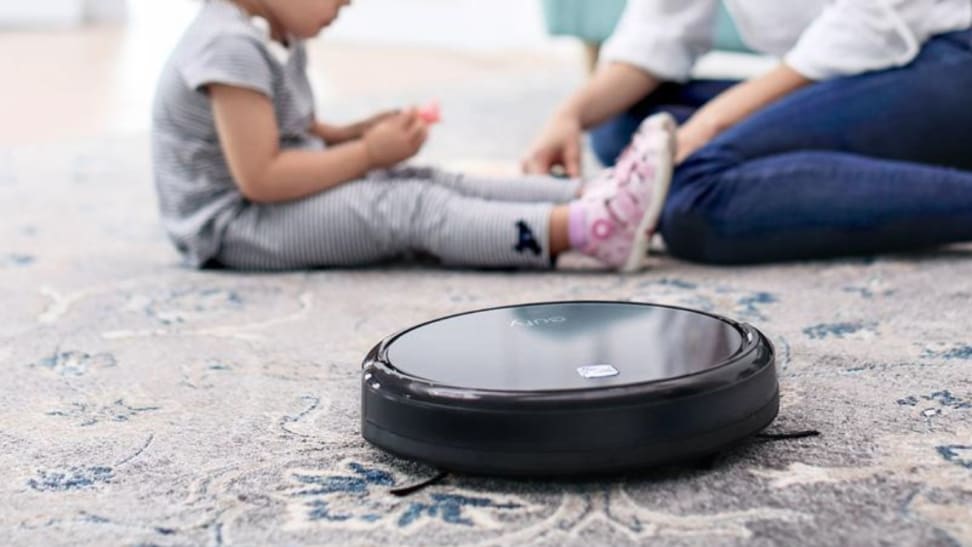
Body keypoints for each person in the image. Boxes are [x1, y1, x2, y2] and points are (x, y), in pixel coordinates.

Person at [151, 0, 677, 273]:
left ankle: (593, 194)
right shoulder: (228, 47)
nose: (349, 3)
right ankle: (590, 228)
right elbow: (262, 177)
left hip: (261, 203)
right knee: (409, 206)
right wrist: (364, 154)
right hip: (233, 227)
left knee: (424, 178)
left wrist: (354, 136)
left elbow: (291, 131)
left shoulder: (274, 31)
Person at [524, 0, 972, 264]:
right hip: (855, 75)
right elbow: (658, 31)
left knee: (693, 198)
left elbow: (872, 22)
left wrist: (709, 126)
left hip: (950, 58)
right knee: (620, 128)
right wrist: (569, 115)